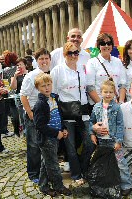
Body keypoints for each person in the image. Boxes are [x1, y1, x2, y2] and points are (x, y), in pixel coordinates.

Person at [51, 42, 93, 185]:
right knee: (71, 146)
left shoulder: (82, 68)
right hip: (67, 113)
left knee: (89, 142)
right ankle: (76, 174)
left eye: (76, 53)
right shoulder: (57, 70)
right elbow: (53, 94)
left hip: (83, 111)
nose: (74, 55)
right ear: (64, 54)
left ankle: (83, 168)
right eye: (71, 53)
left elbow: (87, 89)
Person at [89, 80, 132, 196]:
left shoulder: (117, 108)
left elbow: (120, 125)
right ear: (101, 92)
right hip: (101, 140)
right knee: (103, 162)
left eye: (111, 92)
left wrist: (119, 141)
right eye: (105, 92)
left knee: (120, 163)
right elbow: (92, 122)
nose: (108, 94)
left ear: (114, 93)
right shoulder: (96, 107)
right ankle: (105, 185)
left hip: (113, 140)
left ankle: (127, 184)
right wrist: (92, 133)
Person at [33, 73, 72, 197]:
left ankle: (43, 186)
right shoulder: (40, 104)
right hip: (47, 139)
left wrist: (63, 128)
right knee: (53, 165)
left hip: (55, 136)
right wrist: (56, 133)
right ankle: (58, 186)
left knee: (46, 163)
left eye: (49, 84)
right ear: (38, 88)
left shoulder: (54, 98)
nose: (47, 88)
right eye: (43, 86)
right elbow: (39, 125)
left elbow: (59, 116)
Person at [20, 48, 51, 183]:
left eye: (46, 58)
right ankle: (33, 173)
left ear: (50, 59)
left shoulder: (50, 73)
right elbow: (23, 95)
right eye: (41, 59)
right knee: (33, 145)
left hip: (46, 114)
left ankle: (44, 170)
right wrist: (30, 113)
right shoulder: (32, 75)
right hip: (34, 114)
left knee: (44, 144)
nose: (44, 61)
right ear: (37, 61)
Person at [86, 33, 127, 105]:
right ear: (99, 46)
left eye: (109, 43)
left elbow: (122, 84)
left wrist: (121, 102)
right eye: (103, 43)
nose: (106, 46)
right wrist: (102, 105)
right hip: (98, 104)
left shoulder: (118, 61)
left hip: (115, 104)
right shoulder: (92, 62)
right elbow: (90, 87)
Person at [10, 58, 29, 136]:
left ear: (25, 65)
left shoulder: (30, 73)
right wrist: (15, 76)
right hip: (19, 97)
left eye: (21, 64)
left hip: (29, 96)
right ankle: (25, 133)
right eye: (17, 65)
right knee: (23, 116)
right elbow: (13, 87)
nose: (19, 66)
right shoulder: (15, 75)